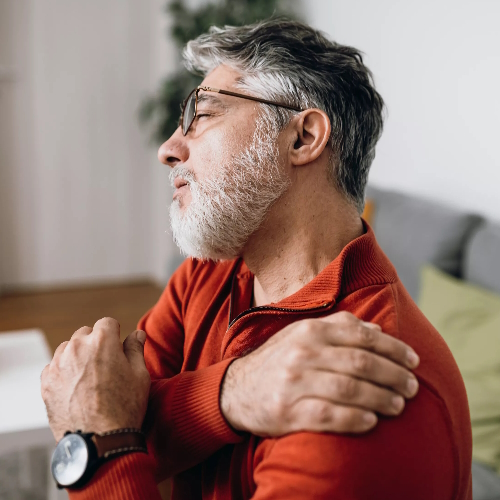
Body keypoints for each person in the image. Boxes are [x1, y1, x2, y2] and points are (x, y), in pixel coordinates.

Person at [41, 18, 472, 500]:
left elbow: (111, 425)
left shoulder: (353, 384)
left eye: (202, 115)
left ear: (302, 138)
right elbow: (129, 423)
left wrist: (96, 442)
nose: (168, 149)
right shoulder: (206, 275)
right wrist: (230, 394)